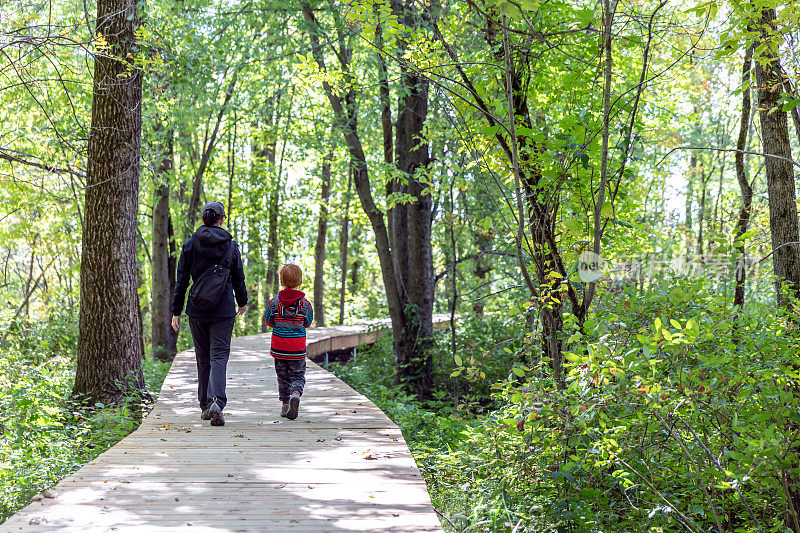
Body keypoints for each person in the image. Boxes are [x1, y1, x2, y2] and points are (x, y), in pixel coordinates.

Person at [171, 201, 247, 427]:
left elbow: (182, 281)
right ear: (222, 219)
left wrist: (176, 311)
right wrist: (242, 302)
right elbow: (238, 278)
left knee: (202, 357)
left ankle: (205, 404)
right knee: (219, 356)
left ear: (203, 219)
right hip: (223, 309)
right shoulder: (231, 246)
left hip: (197, 309)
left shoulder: (190, 245)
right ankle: (218, 402)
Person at [264, 264, 313, 420]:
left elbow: (269, 321)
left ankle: (285, 404)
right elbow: (308, 323)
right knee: (298, 375)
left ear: (281, 280)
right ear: (300, 282)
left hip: (279, 348)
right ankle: (296, 394)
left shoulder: (274, 303)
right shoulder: (306, 305)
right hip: (297, 349)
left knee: (282, 377)